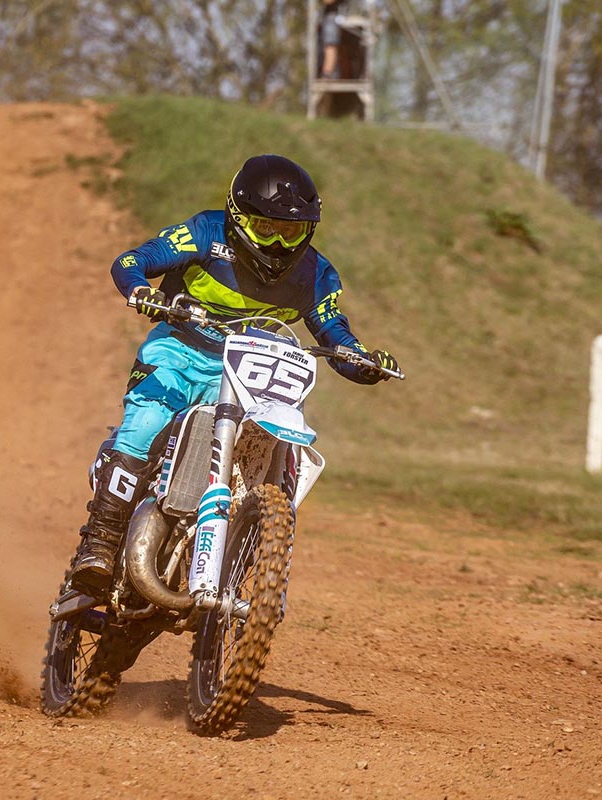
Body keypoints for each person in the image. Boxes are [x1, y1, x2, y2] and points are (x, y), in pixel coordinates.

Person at [70, 154, 399, 596]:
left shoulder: (316, 272)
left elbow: (333, 330)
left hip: (250, 371)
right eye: (266, 229)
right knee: (142, 427)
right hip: (181, 350)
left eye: (292, 232)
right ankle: (100, 545)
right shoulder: (205, 231)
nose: (279, 245)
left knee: (269, 454)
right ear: (239, 217)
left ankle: (244, 552)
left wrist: (361, 360)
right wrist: (142, 291)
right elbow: (133, 260)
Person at [320, 0, 347, 79]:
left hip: (333, 16)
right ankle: (330, 73)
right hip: (332, 16)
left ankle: (328, 74)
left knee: (330, 45)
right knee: (329, 46)